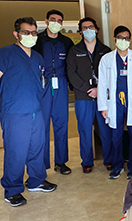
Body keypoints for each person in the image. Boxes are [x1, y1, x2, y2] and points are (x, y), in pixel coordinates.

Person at [0, 17, 57, 207]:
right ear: (16, 34)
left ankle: (36, 181)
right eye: (26, 32)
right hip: (15, 113)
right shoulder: (5, 53)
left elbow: (41, 82)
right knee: (16, 152)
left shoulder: (37, 57)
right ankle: (12, 190)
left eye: (34, 32)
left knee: (37, 148)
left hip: (36, 111)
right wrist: (5, 101)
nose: (31, 36)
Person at [67, 17, 112, 173]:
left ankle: (109, 159)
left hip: (103, 97)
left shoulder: (105, 51)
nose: (88, 30)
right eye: (84, 28)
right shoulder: (74, 51)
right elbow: (71, 73)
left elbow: (110, 74)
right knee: (85, 129)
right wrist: (88, 89)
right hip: (83, 97)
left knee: (105, 129)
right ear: (80, 31)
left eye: (91, 27)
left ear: (96, 29)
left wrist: (99, 89)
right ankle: (86, 161)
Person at [98, 26, 132, 179]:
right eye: (120, 37)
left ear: (130, 40)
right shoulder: (106, 59)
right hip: (114, 102)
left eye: (127, 38)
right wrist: (103, 106)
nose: (123, 41)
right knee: (116, 135)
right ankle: (117, 165)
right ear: (114, 39)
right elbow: (102, 84)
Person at [32, 9, 74, 175]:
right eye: (53, 19)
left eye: (59, 20)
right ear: (46, 21)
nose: (56, 22)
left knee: (61, 124)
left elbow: (71, 66)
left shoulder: (67, 42)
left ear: (62, 23)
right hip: (43, 85)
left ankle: (61, 161)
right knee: (41, 128)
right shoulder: (37, 41)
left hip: (61, 85)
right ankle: (40, 166)